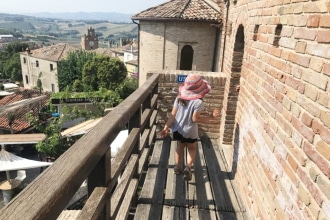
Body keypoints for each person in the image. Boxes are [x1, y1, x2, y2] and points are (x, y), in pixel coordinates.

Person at [160, 74, 220, 181]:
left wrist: (166, 128)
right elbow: (195, 119)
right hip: (190, 131)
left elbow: (172, 115)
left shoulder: (178, 98)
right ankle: (188, 167)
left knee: (180, 147)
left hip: (178, 130)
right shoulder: (198, 103)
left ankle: (177, 167)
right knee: (192, 148)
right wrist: (210, 117)